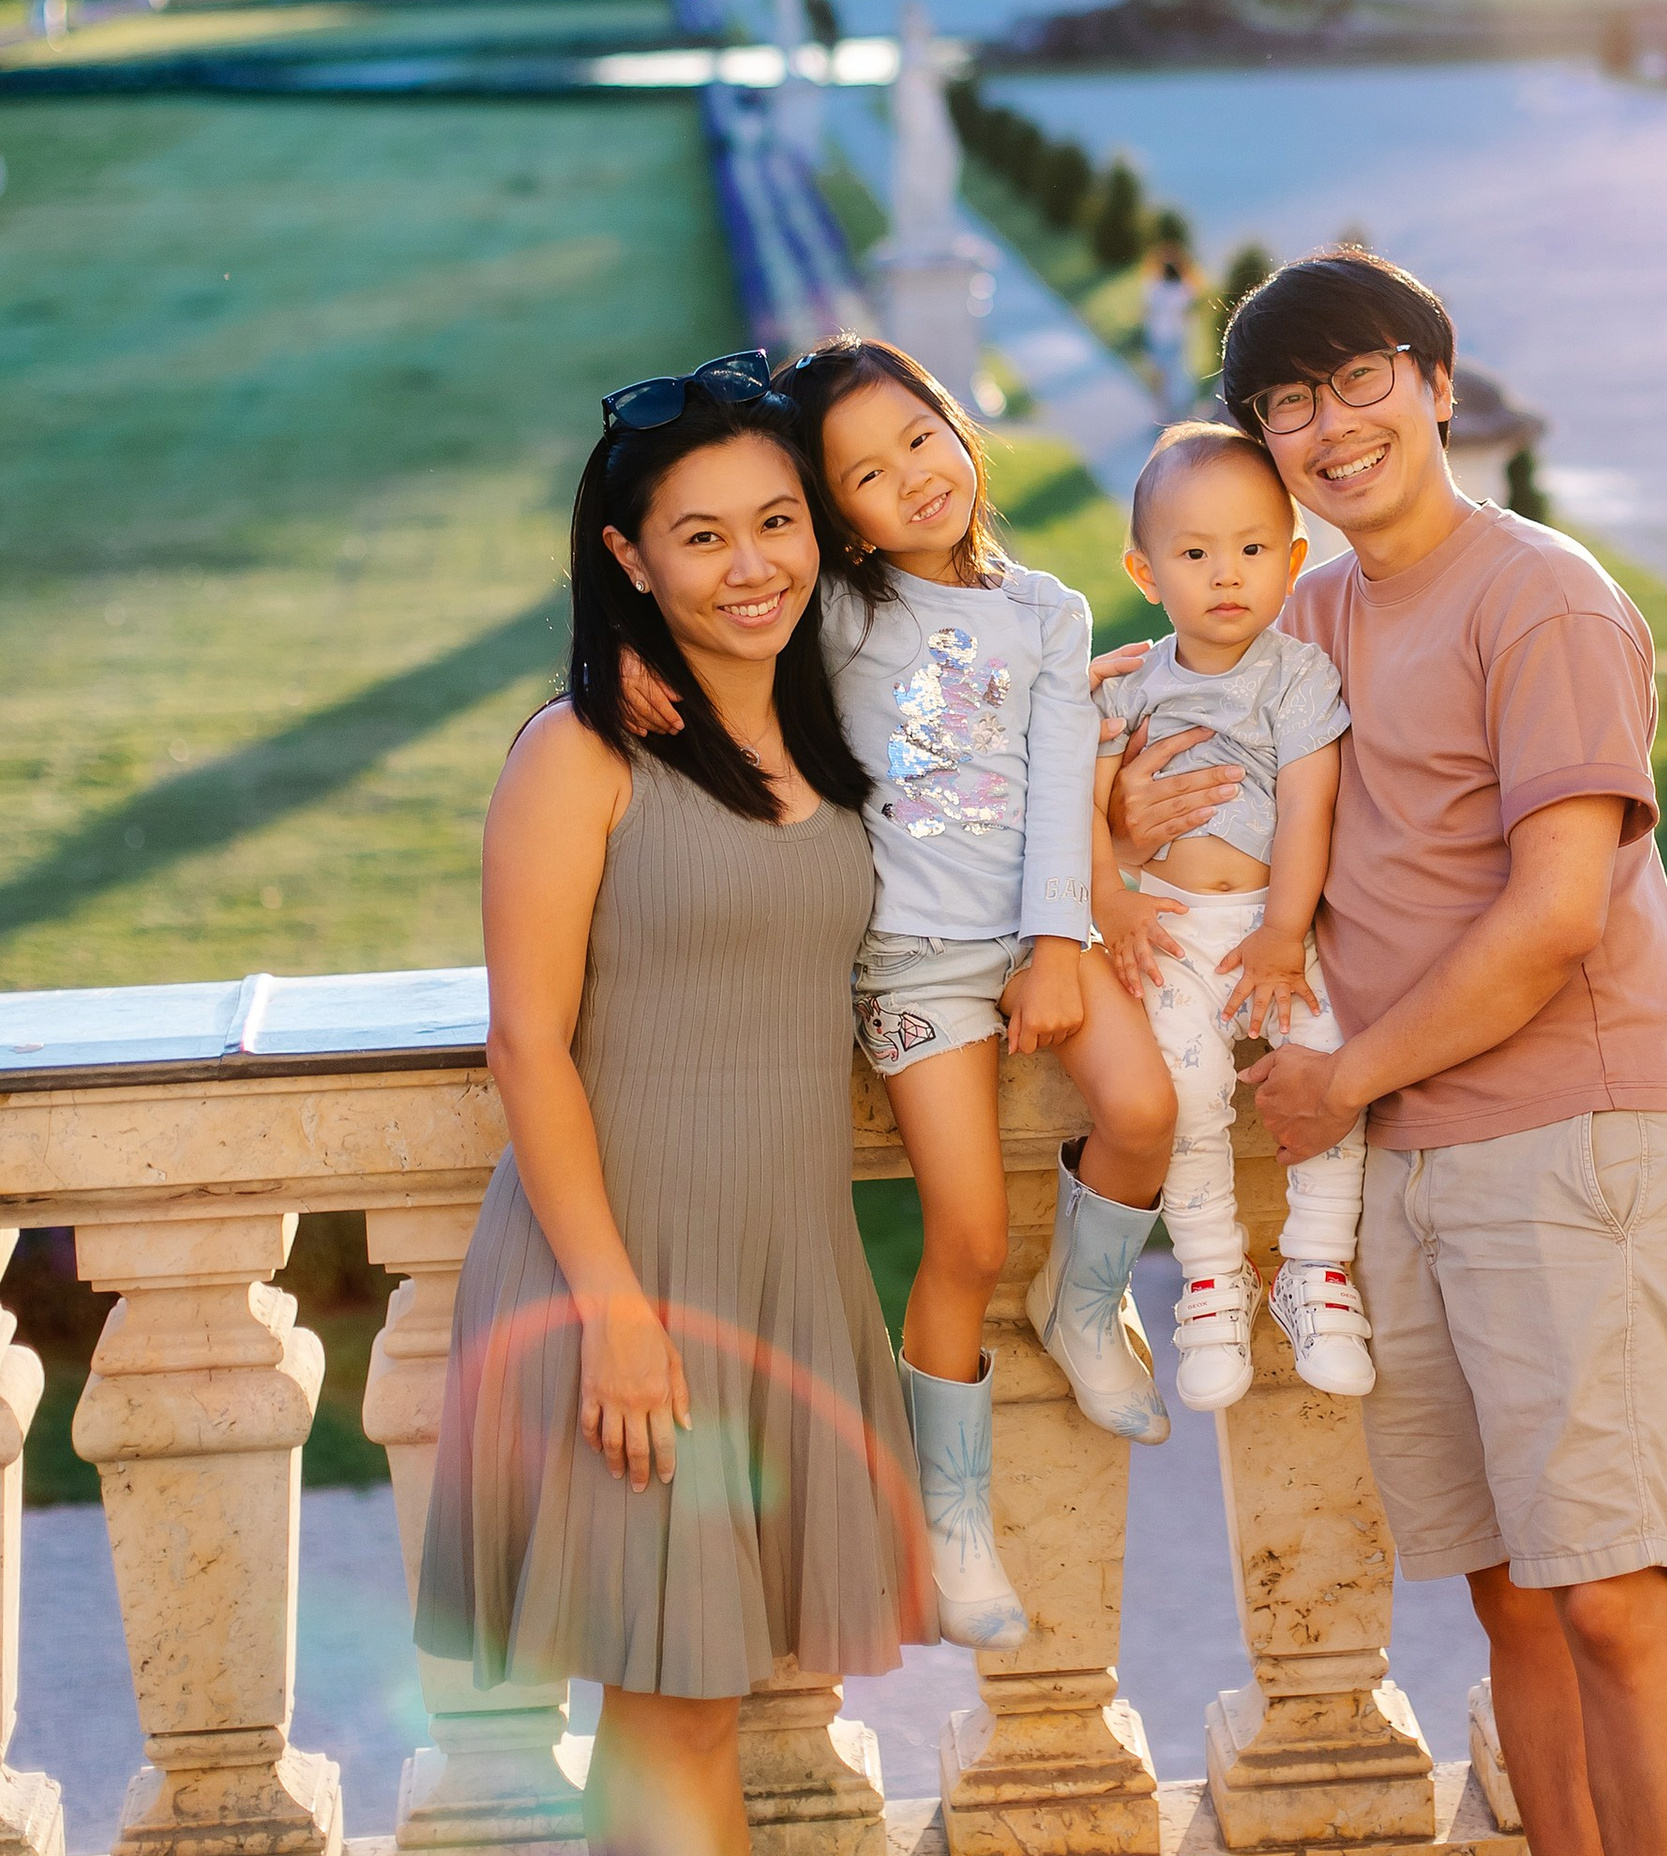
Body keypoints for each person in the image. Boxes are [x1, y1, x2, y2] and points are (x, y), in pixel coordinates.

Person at [1105, 252, 1667, 1856]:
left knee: (1610, 1599)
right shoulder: (1303, 607)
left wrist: (1345, 1077)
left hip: (1563, 1143)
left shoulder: (1546, 598)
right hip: (1398, 1163)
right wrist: (1107, 825)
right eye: (1286, 404)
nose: (1330, 425)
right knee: (1511, 1604)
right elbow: (1111, 702)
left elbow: (1557, 917)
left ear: (1438, 384)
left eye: (1362, 378)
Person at [417, 351, 930, 1856]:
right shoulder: (577, 753)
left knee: (701, 1698)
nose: (750, 564)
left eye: (775, 521)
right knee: (675, 1702)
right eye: (699, 535)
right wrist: (616, 1316)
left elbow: (1006, 691)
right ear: (628, 557)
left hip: (779, 1266)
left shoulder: (833, 724)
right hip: (626, 1281)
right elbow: (528, 1048)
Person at [623, 337, 1177, 1649]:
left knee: (1146, 1112)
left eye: (920, 439)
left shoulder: (1048, 611)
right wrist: (631, 664)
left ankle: (1084, 1306)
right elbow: (714, 609)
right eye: (865, 475)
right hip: (916, 966)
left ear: (959, 424)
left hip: (1044, 937)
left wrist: (1056, 946)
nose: (912, 479)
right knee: (968, 1237)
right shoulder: (840, 611)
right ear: (839, 515)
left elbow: (1054, 783)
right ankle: (952, 1518)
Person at [1090, 422, 1371, 1411]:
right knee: (1185, 1088)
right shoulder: (1124, 684)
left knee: (1327, 1060)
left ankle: (1317, 1270)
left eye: (1253, 549)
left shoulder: (1297, 677)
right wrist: (1110, 897)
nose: (1226, 575)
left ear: (1293, 561)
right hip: (1164, 923)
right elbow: (1078, 806)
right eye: (1194, 552)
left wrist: (1284, 933)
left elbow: (1307, 807)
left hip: (1273, 923)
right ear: (1144, 569)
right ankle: (1212, 1278)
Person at [1141, 246, 1200, 419]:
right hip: (1177, 336)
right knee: (1179, 373)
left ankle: (1162, 412)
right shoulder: (1182, 290)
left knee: (1161, 375)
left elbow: (1146, 309)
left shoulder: (1155, 289)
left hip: (1157, 336)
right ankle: (1183, 411)